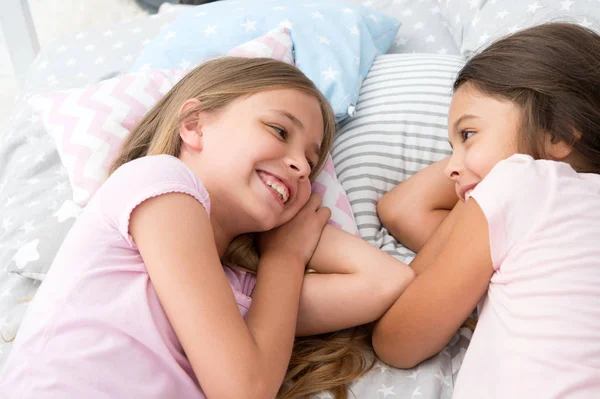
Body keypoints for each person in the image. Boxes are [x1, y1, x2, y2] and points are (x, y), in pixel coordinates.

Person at [0, 57, 415, 399]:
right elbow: (244, 390)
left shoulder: (246, 296)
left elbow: (387, 280)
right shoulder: (157, 182)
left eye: (311, 161)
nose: (302, 166)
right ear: (194, 126)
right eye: (279, 130)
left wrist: (283, 245)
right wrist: (287, 256)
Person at [373, 22, 600, 398]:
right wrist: (474, 166)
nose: (449, 167)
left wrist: (487, 184)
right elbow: (406, 211)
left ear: (558, 134)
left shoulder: (521, 185)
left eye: (467, 135)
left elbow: (396, 341)